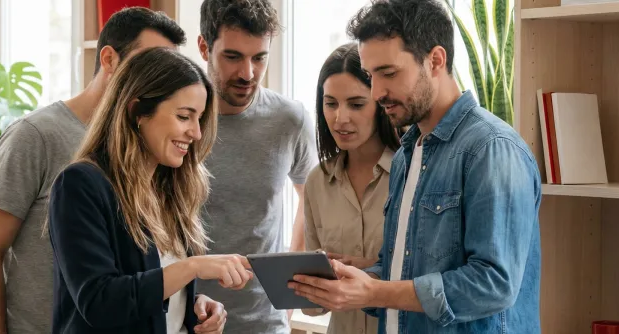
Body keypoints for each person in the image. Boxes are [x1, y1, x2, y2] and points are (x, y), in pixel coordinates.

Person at [288, 0, 542, 333]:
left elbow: (493, 284)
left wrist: (376, 291)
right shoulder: (408, 155)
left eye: (389, 73)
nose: (377, 92)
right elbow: (405, 271)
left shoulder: (491, 149)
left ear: (435, 60)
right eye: (371, 76)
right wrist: (357, 280)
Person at [0, 7, 187, 333]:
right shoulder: (36, 136)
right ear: (109, 60)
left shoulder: (151, 146)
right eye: (149, 65)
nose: (163, 82)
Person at [48, 47, 249, 334]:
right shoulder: (79, 185)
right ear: (137, 112)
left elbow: (152, 294)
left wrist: (193, 306)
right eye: (184, 116)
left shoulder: (170, 190)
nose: (196, 133)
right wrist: (191, 268)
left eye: (199, 118)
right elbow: (99, 302)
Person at [195, 0, 319, 332]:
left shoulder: (289, 119)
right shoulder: (180, 120)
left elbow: (312, 201)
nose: (247, 74)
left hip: (266, 322)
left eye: (259, 58)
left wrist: (288, 297)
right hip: (188, 318)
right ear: (204, 47)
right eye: (233, 56)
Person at [301, 43, 402, 334]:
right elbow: (313, 305)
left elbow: (431, 279)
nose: (340, 118)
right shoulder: (317, 182)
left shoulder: (411, 175)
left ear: (381, 105)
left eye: (356, 104)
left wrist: (370, 270)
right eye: (331, 103)